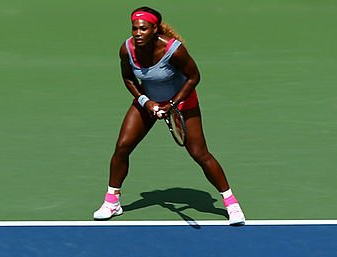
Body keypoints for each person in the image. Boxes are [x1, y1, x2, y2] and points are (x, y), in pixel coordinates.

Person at [93, 6, 245, 226]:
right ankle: (112, 202)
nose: (137, 33)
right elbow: (128, 79)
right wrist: (147, 103)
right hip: (149, 102)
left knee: (199, 153)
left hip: (182, 101)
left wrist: (173, 104)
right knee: (122, 147)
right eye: (134, 28)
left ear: (155, 29)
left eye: (143, 29)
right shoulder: (126, 49)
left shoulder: (174, 50)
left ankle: (231, 204)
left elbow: (194, 77)